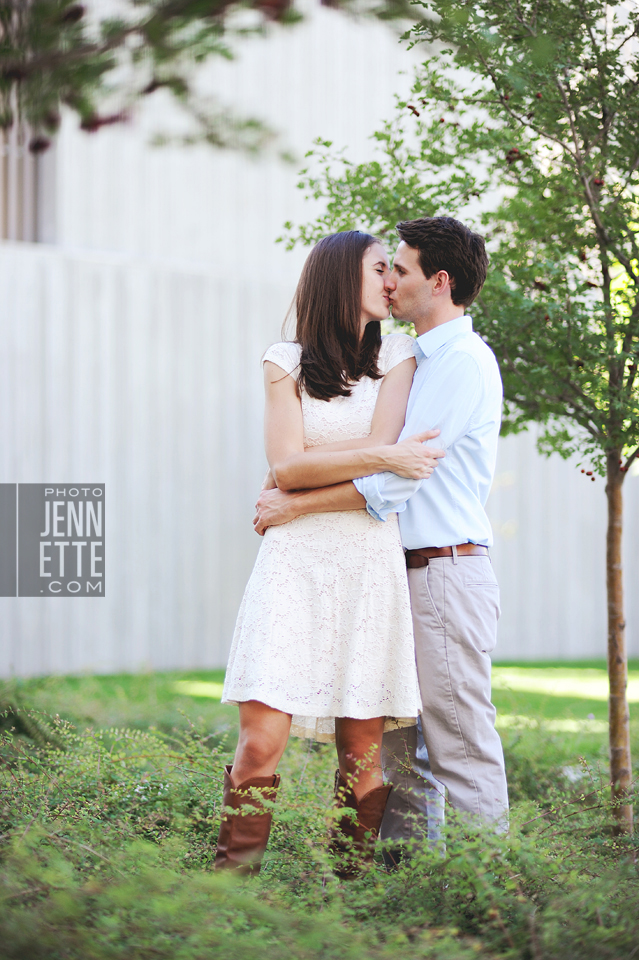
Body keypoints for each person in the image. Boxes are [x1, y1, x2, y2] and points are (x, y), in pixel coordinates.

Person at [254, 216, 510, 853]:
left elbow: (395, 479)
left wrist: (293, 506)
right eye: (384, 268)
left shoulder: (459, 365)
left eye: (401, 269)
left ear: (439, 281)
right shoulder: (415, 360)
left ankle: (494, 904)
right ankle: (405, 897)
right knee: (404, 758)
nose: (391, 281)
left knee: (460, 747)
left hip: (443, 572)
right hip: (399, 574)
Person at [215, 230, 444, 875]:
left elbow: (366, 483)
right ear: (343, 279)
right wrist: (386, 454)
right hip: (293, 565)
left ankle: (348, 899)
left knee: (362, 751)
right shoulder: (283, 361)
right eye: (380, 270)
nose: (392, 282)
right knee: (260, 743)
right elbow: (286, 466)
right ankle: (227, 896)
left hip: (368, 564)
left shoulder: (398, 354)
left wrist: (348, 469)